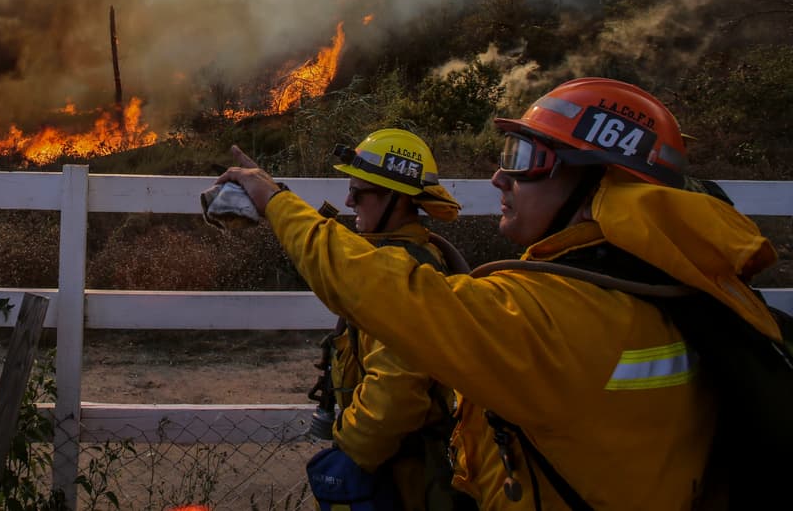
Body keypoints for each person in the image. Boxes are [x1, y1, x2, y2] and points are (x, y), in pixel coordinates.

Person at [219, 78, 780, 510]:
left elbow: (387, 294)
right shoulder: (680, 287)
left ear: (602, 182)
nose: (499, 178)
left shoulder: (556, 314)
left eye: (527, 159)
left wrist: (274, 201)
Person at [312, 129, 472, 511]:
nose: (348, 200)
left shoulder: (406, 271)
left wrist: (352, 452)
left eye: (360, 193)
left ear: (398, 199)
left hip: (406, 474)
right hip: (393, 462)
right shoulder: (400, 256)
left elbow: (397, 394)